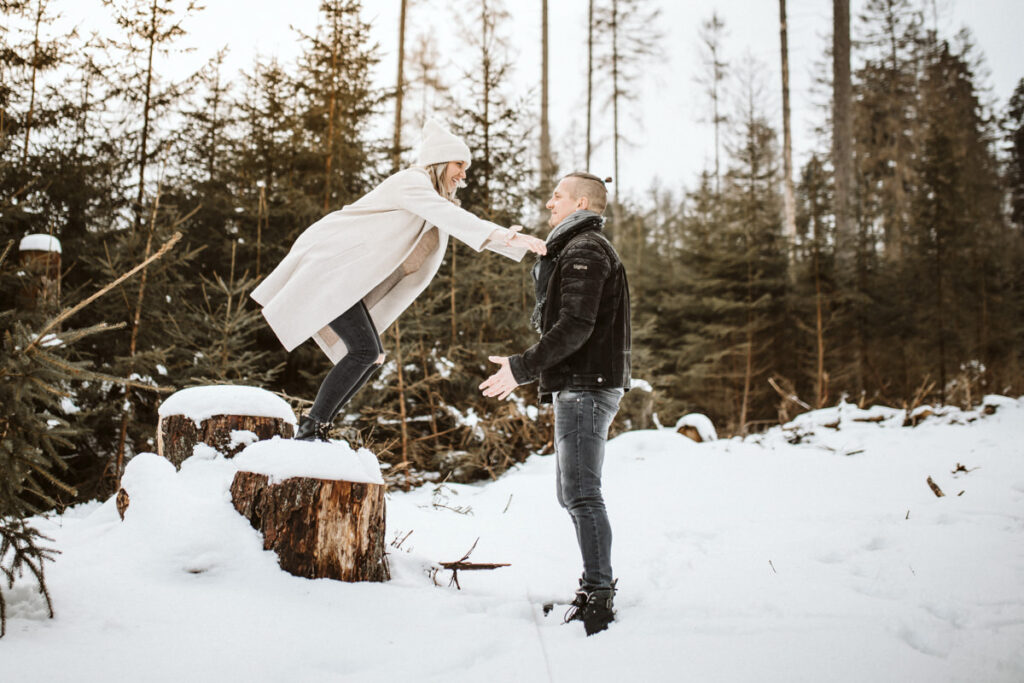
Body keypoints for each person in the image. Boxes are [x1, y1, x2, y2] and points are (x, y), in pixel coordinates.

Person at [252, 119, 547, 441]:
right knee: (365, 352)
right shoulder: (411, 181)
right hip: (330, 272)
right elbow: (452, 217)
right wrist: (504, 236)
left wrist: (508, 240)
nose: (464, 174)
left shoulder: (429, 198)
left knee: (371, 355)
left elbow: (448, 219)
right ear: (438, 161)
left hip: (345, 280)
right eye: (459, 164)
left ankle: (317, 426)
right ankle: (312, 428)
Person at [479, 172, 631, 636]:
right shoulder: (573, 248)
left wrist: (520, 368)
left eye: (557, 196)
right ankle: (594, 584)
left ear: (582, 202)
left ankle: (599, 597)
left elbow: (575, 326)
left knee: (582, 493)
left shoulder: (585, 249)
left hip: (587, 385)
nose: (549, 203)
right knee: (572, 493)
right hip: (580, 384)